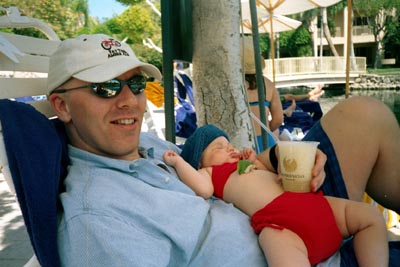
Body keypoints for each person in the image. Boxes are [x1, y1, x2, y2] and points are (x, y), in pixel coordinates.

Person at [47, 33, 400, 266]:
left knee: (364, 114)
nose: (129, 101)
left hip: (302, 208)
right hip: (292, 248)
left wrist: (274, 159)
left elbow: (224, 166)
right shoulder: (98, 219)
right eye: (106, 88)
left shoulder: (145, 145)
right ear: (62, 106)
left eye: (136, 84)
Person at [164, 124, 388, 266]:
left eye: (229, 143)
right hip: (284, 226)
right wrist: (179, 162)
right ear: (200, 161)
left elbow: (271, 162)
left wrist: (253, 161)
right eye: (219, 147)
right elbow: (203, 190)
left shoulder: (248, 164)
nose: (230, 148)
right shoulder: (209, 173)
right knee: (276, 245)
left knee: (369, 216)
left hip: (315, 204)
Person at [242, 36, 283, 152]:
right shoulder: (268, 85)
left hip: (241, 143)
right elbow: (278, 119)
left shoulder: (232, 86)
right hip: (266, 141)